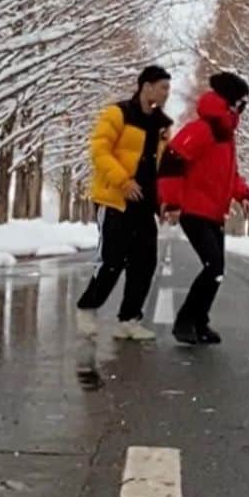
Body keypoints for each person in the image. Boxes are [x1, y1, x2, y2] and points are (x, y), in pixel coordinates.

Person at [76, 65, 173, 341]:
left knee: (145, 262)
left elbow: (162, 167)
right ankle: (87, 307)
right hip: (116, 200)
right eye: (163, 87)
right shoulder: (117, 113)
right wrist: (123, 181)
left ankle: (129, 319)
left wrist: (164, 202)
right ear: (146, 86)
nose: (167, 93)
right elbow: (99, 149)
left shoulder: (163, 124)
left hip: (145, 204)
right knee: (112, 260)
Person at [157, 71, 249, 345]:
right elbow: (172, 161)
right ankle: (185, 322)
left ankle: (200, 323)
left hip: (213, 212)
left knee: (217, 269)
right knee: (213, 266)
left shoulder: (225, 136)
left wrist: (242, 193)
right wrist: (172, 201)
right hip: (194, 210)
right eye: (241, 103)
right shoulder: (202, 129)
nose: (243, 108)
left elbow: (227, 174)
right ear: (230, 103)